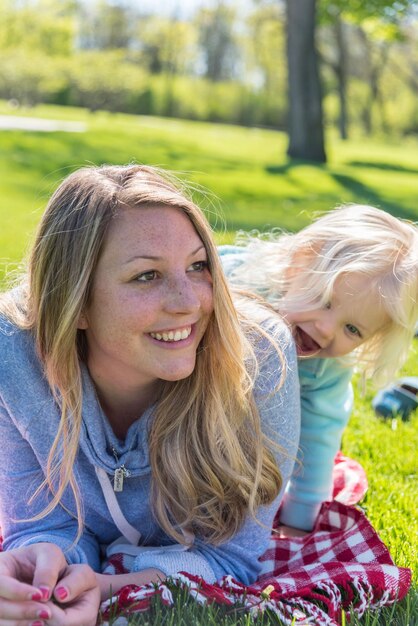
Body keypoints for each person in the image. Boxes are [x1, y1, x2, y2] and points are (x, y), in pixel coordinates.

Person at [0, 164, 300, 625]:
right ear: (74, 302)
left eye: (198, 266)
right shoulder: (13, 356)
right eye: (147, 276)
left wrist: (106, 588)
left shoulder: (260, 359)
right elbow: (43, 523)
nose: (188, 301)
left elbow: (232, 559)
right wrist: (43, 573)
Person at [219, 204, 418, 535]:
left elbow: (318, 438)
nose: (327, 330)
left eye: (352, 330)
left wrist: (298, 523)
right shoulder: (227, 297)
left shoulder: (326, 367)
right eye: (325, 301)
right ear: (298, 266)